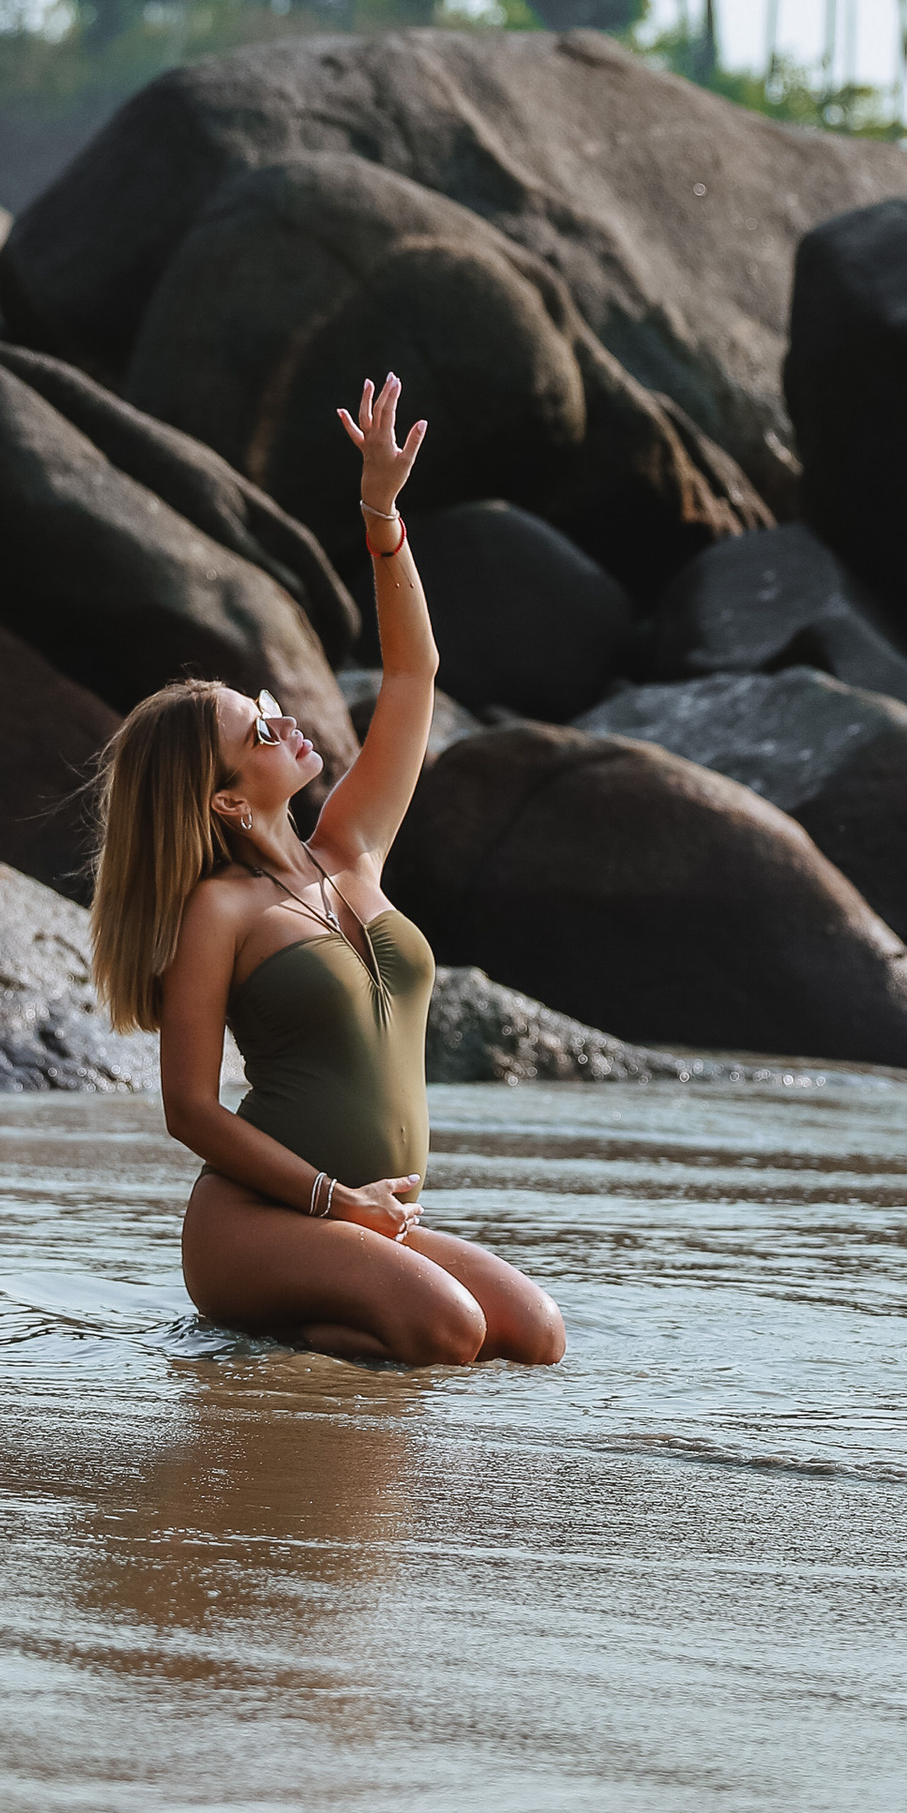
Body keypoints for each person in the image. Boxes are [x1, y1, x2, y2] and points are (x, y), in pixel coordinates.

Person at [88, 374, 566, 1369]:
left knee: (533, 1336)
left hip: (363, 1221)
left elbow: (411, 675)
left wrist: (381, 517)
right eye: (258, 729)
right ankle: (286, 1346)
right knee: (446, 1331)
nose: (285, 719)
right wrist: (333, 1200)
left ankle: (330, 1340)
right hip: (258, 1224)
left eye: (263, 703)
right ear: (225, 799)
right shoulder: (217, 910)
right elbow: (189, 1109)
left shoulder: (347, 847)